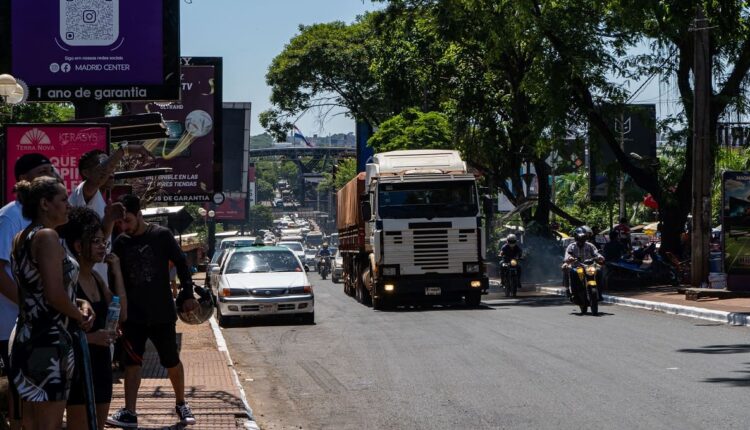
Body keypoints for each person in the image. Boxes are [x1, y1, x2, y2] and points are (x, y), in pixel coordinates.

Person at [9, 176, 94, 430]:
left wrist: (80, 303)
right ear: (45, 204)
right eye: (63, 199)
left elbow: (39, 290)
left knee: (32, 422)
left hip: (28, 336)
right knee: (49, 424)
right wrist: (79, 316)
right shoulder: (47, 237)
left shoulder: (22, 236)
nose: (68, 205)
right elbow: (54, 296)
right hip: (49, 341)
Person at [107, 195, 198, 428]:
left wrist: (187, 294)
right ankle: (130, 411)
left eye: (127, 221)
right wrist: (115, 315)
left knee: (171, 361)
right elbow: (113, 282)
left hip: (162, 313)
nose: (124, 227)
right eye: (120, 224)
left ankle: (181, 403)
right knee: (132, 364)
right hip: (133, 316)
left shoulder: (161, 235)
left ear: (139, 214)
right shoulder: (120, 242)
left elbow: (181, 263)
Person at [0, 154, 60, 430]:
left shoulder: (48, 223)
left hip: (40, 325)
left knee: (39, 399)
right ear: (23, 179)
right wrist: (29, 305)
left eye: (52, 169)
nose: (51, 174)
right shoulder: (9, 216)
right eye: (43, 171)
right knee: (21, 397)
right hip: (13, 324)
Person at [60, 207, 127, 430]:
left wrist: (116, 271)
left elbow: (121, 313)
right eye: (96, 241)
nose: (102, 246)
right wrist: (91, 338)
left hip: (101, 364)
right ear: (79, 246)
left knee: (97, 426)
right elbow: (58, 332)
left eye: (104, 241)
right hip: (78, 366)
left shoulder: (97, 277)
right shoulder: (68, 281)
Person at [563, 227, 605, 299]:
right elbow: (567, 255)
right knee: (565, 268)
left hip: (589, 266)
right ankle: (568, 290)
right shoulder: (571, 246)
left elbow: (596, 253)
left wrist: (600, 257)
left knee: (599, 270)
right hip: (576, 267)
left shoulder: (590, 245)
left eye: (584, 237)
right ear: (576, 237)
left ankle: (599, 292)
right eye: (580, 237)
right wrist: (569, 258)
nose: (582, 238)